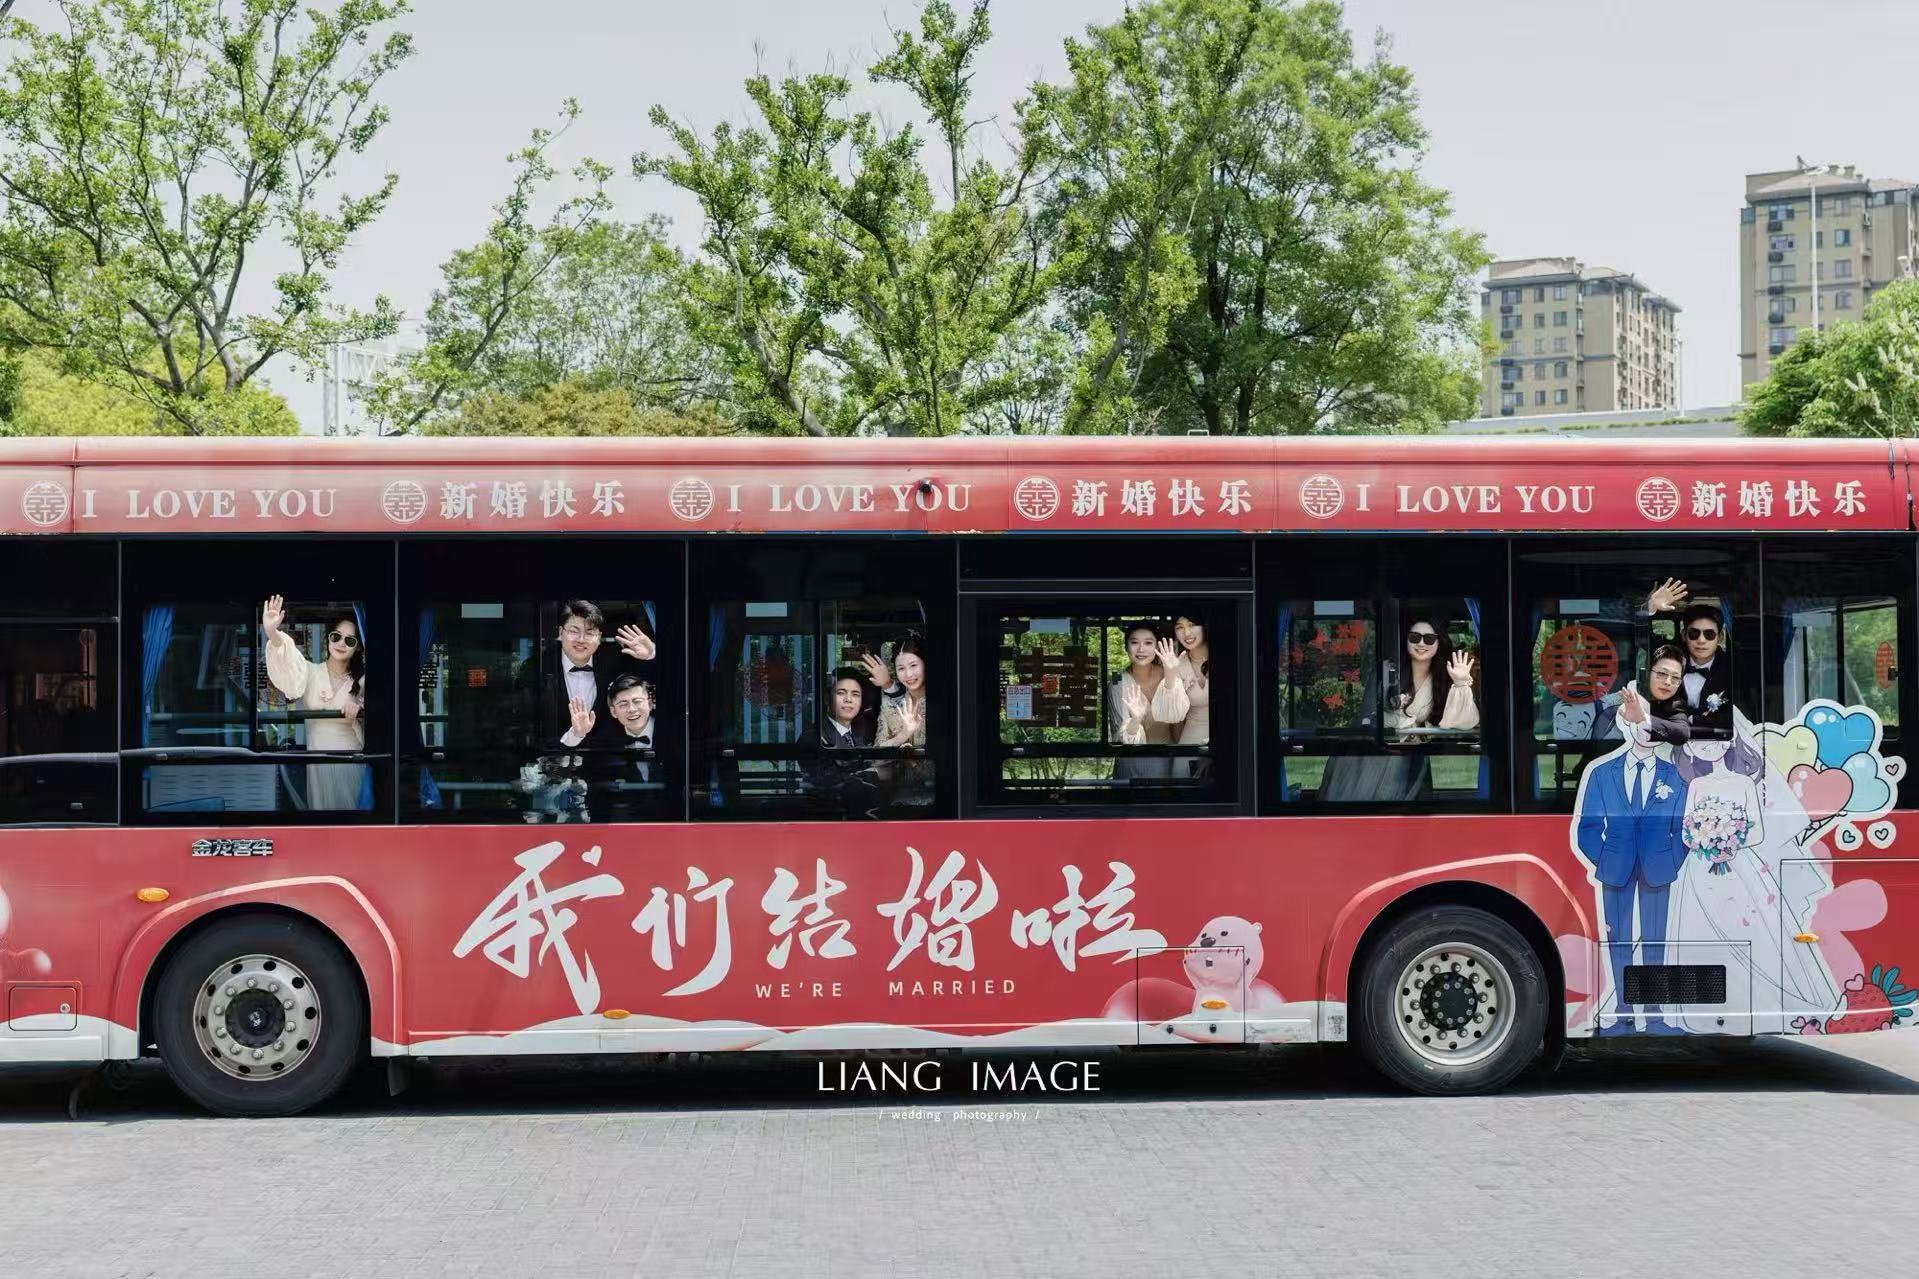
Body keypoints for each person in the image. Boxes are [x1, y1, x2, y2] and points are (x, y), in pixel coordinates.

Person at [1663, 732, 1835, 1031]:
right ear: (1689, 747)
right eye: (1698, 741)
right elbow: (1687, 832)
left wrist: (1729, 843)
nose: (1707, 745)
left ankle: (1761, 1006)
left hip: (1741, 866)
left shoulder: (1744, 783)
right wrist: (1707, 841)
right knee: (1702, 933)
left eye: (1715, 738)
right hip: (1701, 868)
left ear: (1729, 741)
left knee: (1752, 930)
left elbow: (1757, 831)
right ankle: (1703, 1008)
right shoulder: (1696, 785)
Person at [1572, 717, 1689, 1036]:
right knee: (1618, 939)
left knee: (1654, 939)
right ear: (1627, 725)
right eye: (1641, 722)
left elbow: (1681, 829)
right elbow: (1588, 828)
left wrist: (1670, 861)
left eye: (1655, 725)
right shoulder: (1602, 774)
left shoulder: (1675, 776)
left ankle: (1654, 1016)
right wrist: (1606, 860)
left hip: (1657, 868)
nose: (1648, 731)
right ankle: (1623, 1013)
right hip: (1615, 868)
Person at [261, 594, 367, 811]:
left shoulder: (363, 681)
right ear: (328, 638)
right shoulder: (309, 672)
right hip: (318, 765)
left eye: (350, 640)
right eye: (336, 636)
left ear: (357, 648)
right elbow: (289, 661)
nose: (341, 644)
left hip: (353, 765)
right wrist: (273, 633)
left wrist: (359, 714)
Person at [545, 600, 657, 750]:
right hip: (554, 756)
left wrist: (652, 655)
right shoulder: (540, 665)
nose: (581, 639)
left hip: (608, 756)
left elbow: (650, 683)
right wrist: (574, 736)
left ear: (599, 638)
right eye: (574, 631)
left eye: (589, 632)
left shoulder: (615, 660)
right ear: (560, 633)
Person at [861, 636, 931, 805]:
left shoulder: (940, 703)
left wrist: (912, 760)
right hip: (895, 796)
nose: (908, 675)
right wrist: (903, 735)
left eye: (913, 665)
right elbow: (876, 756)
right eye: (901, 668)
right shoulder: (889, 705)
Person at [812, 669, 883, 817]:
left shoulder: (856, 733)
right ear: (827, 699)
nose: (848, 700)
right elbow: (826, 783)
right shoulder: (815, 736)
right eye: (841, 693)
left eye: (855, 694)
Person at [1109, 622, 1174, 781]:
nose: (1141, 649)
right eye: (1134, 642)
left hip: (1168, 759)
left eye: (1148, 643)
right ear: (1126, 647)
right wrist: (1136, 720)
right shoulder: (1118, 681)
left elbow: (1180, 725)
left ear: (1157, 646)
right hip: (1133, 763)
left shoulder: (1169, 674)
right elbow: (1121, 735)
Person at [1150, 613, 1211, 778]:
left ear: (1205, 626)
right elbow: (1170, 717)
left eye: (1192, 625)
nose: (1186, 633)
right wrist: (1170, 674)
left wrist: (1213, 751)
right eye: (1180, 627)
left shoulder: (1230, 655)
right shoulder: (1177, 664)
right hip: (1191, 738)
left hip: (1227, 738)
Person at [1617, 645, 1691, 745]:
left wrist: (1643, 718)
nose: (1668, 682)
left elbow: (1682, 733)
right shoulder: (1628, 692)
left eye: (1675, 677)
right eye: (1662, 674)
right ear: (1648, 672)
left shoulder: (1676, 704)